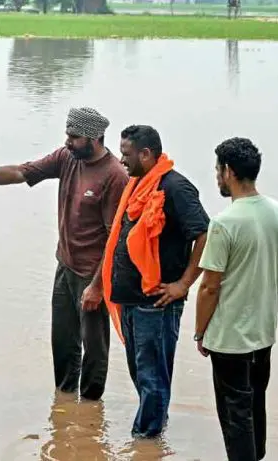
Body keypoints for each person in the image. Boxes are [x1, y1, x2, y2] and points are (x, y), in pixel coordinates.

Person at [0, 107, 128, 400]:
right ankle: (65, 402)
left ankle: (90, 408)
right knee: (63, 341)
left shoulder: (114, 175)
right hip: (65, 265)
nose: (67, 141)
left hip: (93, 273)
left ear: (95, 138)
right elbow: (21, 171)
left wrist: (98, 286)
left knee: (94, 346)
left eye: (74, 137)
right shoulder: (67, 158)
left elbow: (114, 238)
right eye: (67, 134)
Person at [101, 124, 209, 438]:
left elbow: (205, 235)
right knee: (141, 374)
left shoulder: (175, 188)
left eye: (127, 154)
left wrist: (184, 283)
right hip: (132, 299)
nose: (121, 160)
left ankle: (145, 441)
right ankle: (153, 435)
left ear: (146, 154)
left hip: (157, 303)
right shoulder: (137, 185)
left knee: (152, 378)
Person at [194, 137, 278, 461]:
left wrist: (199, 332)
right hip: (263, 333)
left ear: (229, 172)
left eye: (218, 170)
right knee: (254, 406)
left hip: (230, 340)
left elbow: (209, 287)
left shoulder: (224, 224)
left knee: (236, 418)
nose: (217, 177)